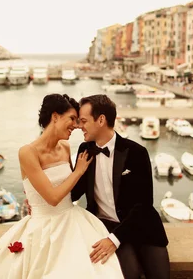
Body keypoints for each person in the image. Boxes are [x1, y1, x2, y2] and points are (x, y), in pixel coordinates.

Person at [0, 94, 123, 278]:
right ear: (55, 117)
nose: (76, 126)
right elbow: (52, 198)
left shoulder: (66, 147)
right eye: (72, 119)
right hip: (43, 227)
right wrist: (78, 171)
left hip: (72, 220)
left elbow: (71, 190)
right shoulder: (27, 152)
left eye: (78, 121)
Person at [72, 94, 170, 279]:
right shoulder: (84, 151)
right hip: (105, 226)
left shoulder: (137, 153)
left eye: (83, 120)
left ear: (101, 120)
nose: (79, 126)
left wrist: (113, 240)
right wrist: (42, 199)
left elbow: (144, 205)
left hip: (140, 224)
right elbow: (74, 192)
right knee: (129, 274)